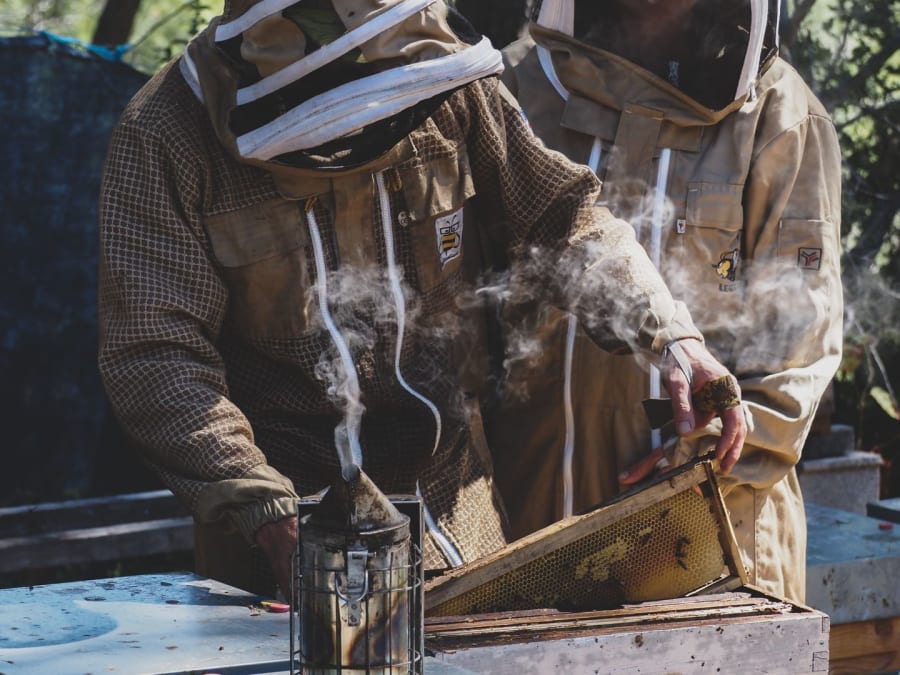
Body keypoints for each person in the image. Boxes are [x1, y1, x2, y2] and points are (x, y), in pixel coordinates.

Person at [98, 0, 746, 598]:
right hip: (274, 548)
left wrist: (669, 333)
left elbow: (562, 216)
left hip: (455, 515)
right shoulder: (165, 135)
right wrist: (265, 511)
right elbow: (156, 356)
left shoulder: (443, 74)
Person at [494, 0, 843, 602]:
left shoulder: (780, 113)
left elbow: (797, 355)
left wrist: (698, 467)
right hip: (531, 520)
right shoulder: (517, 87)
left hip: (710, 540)